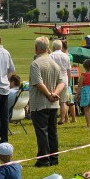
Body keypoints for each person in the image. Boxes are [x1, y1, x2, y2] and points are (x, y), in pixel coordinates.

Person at [28, 37, 64, 167]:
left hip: (39, 103)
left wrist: (49, 95)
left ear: (36, 48)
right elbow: (62, 82)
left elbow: (38, 83)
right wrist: (55, 93)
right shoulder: (54, 64)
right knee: (52, 131)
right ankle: (54, 158)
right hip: (53, 104)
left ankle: (43, 159)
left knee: (42, 132)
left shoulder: (36, 64)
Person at [49, 39, 72, 125]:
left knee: (54, 100)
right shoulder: (66, 56)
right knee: (63, 101)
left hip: (55, 80)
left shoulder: (51, 56)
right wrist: (69, 80)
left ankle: (54, 118)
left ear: (54, 47)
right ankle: (62, 119)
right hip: (64, 79)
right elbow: (69, 70)